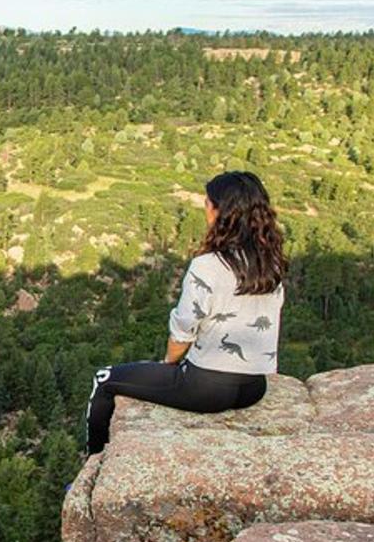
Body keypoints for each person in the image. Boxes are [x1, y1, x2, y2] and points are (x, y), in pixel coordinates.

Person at [83, 170, 287, 456]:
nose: (205, 207)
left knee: (103, 379)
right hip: (254, 387)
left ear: (220, 212)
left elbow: (183, 329)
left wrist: (169, 364)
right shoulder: (271, 262)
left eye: (208, 202)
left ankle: (94, 464)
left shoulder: (208, 265)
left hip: (207, 389)